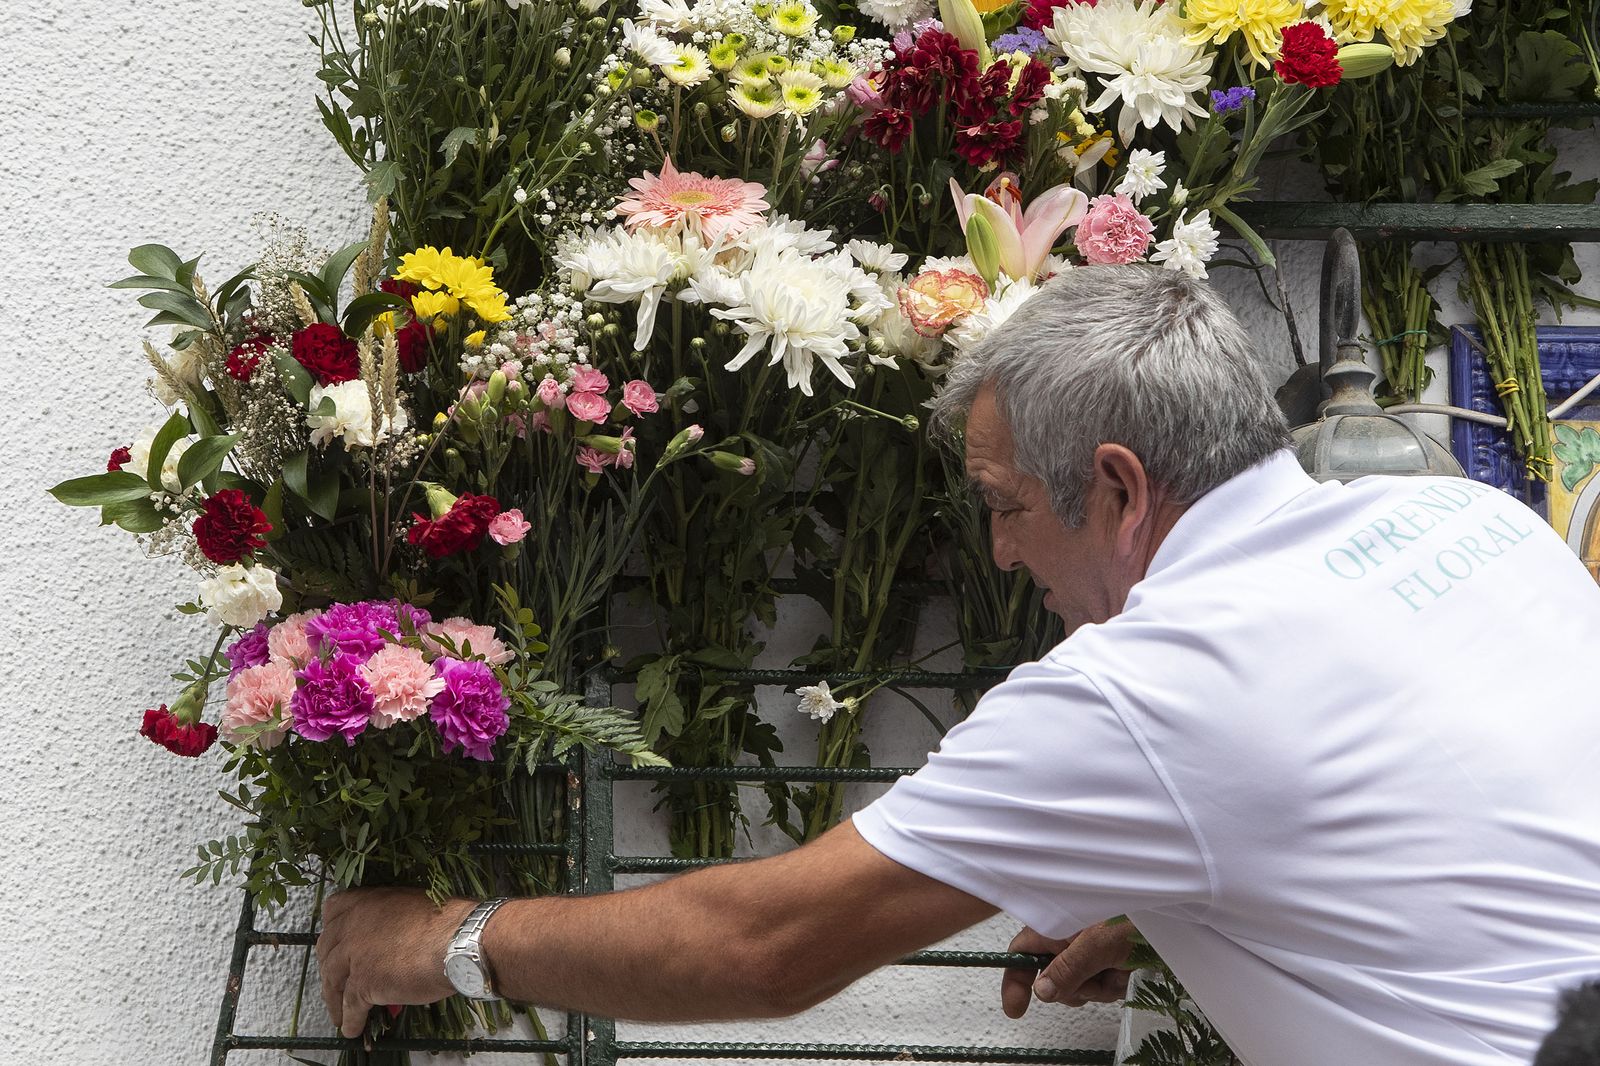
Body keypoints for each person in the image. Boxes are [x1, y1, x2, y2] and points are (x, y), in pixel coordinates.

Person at [317, 266, 1600, 1065]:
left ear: (1115, 487)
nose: (995, 551)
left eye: (1000, 503)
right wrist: (1174, 910)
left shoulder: (1144, 691)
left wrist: (442, 939)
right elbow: (1463, 827)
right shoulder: (1464, 519)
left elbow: (763, 944)